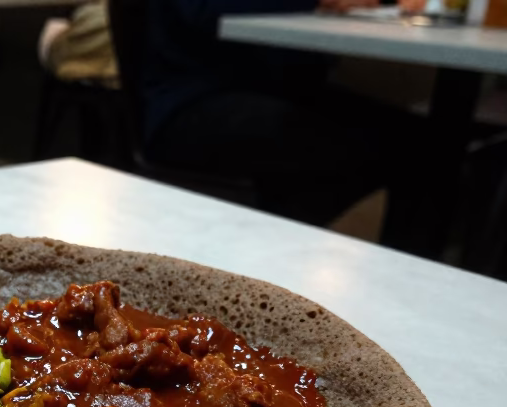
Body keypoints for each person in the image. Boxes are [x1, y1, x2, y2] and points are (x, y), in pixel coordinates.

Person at [141, 0, 454, 258]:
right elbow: (206, 11)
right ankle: (265, 248)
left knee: (420, 144)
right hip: (190, 99)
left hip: (273, 94)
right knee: (383, 148)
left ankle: (274, 248)